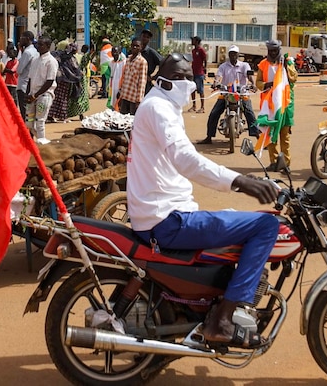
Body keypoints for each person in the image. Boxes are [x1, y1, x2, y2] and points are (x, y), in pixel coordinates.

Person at [127, 53, 279, 348]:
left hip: (164, 212)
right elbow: (187, 160)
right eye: (181, 77)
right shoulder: (159, 108)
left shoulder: (163, 107)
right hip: (167, 219)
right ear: (164, 81)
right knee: (266, 225)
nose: (188, 83)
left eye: (189, 76)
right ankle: (222, 319)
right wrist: (240, 181)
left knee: (234, 219)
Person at [197, 45, 259, 145]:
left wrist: (253, 84)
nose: (233, 55)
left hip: (241, 93)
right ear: (228, 55)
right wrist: (216, 82)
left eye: (235, 53)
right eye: (231, 53)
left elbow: (249, 75)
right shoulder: (223, 66)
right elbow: (218, 76)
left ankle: (257, 136)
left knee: (250, 113)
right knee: (214, 113)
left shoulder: (244, 65)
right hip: (226, 93)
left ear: (238, 55)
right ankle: (209, 137)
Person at [255, 39, 298, 171]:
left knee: (285, 137)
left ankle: (286, 164)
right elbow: (258, 82)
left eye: (275, 51)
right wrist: (266, 85)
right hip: (269, 105)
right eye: (270, 51)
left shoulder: (287, 62)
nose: (273, 53)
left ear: (279, 50)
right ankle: (273, 161)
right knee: (270, 135)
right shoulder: (263, 64)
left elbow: (294, 78)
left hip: (285, 105)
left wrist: (286, 66)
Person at [26, 35, 58, 144]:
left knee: (40, 122)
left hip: (44, 96)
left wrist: (36, 95)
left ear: (48, 46)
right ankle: (39, 142)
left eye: (41, 45)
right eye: (37, 44)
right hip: (32, 95)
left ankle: (42, 146)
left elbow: (49, 81)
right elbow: (30, 78)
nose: (38, 47)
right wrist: (29, 94)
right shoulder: (35, 60)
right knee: (29, 123)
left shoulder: (51, 61)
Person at [49, 40, 79, 122]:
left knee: (55, 98)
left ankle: (51, 116)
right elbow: (75, 69)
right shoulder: (68, 57)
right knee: (63, 99)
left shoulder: (55, 55)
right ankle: (62, 117)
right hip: (66, 80)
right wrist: (77, 77)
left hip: (58, 79)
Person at [116, 37, 148, 114]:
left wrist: (139, 101)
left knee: (132, 122)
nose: (134, 47)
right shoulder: (128, 60)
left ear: (141, 47)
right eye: (133, 45)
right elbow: (124, 78)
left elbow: (142, 82)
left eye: (137, 46)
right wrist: (121, 93)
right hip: (125, 96)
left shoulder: (142, 62)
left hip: (134, 99)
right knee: (122, 120)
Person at [16, 30, 39, 119]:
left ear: (27, 39)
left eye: (22, 38)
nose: (20, 40)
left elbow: (19, 70)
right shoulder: (35, 51)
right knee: (30, 111)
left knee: (24, 110)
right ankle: (30, 130)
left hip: (23, 85)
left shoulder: (27, 53)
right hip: (31, 84)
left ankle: (26, 130)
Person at [65, 42, 90, 120]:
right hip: (78, 80)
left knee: (74, 97)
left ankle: (71, 114)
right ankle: (79, 114)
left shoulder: (71, 57)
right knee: (79, 97)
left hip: (72, 79)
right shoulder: (76, 58)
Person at [139, 28, 163, 94]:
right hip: (134, 81)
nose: (145, 38)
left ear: (149, 40)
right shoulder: (135, 50)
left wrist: (154, 77)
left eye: (147, 37)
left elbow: (163, 63)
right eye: (144, 36)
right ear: (141, 36)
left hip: (146, 83)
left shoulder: (151, 53)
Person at [189, 36, 207, 113]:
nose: (191, 41)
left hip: (199, 73)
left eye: (193, 40)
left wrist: (204, 68)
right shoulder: (193, 51)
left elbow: (205, 59)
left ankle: (202, 107)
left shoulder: (201, 50)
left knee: (200, 90)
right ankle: (194, 106)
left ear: (197, 41)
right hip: (193, 73)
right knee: (192, 90)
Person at [108, 46, 127, 110]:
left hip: (120, 86)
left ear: (119, 52)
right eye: (112, 52)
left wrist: (121, 88)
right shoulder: (111, 63)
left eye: (115, 52)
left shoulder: (124, 62)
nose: (114, 53)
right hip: (112, 86)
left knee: (119, 103)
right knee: (112, 102)